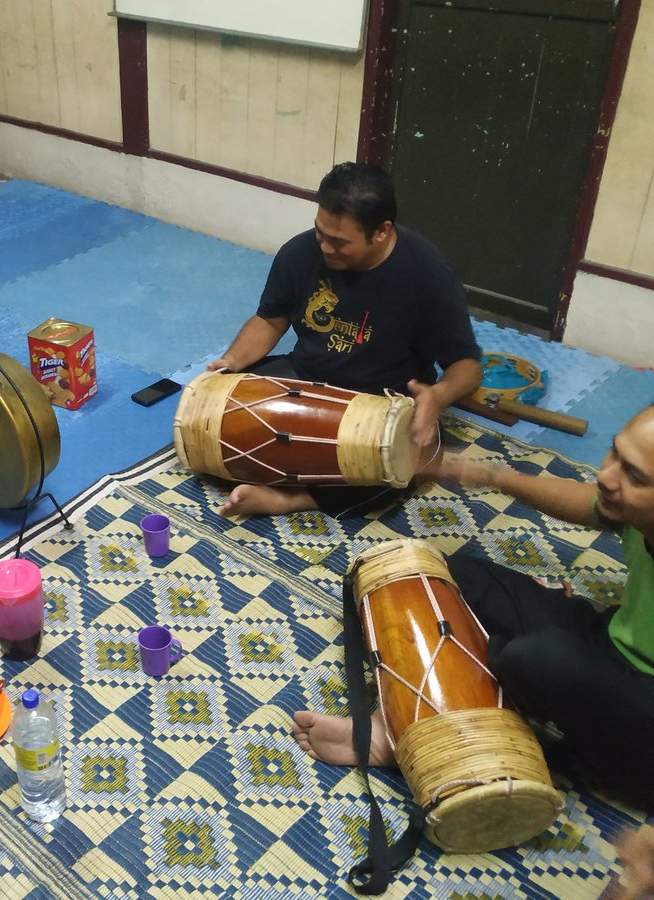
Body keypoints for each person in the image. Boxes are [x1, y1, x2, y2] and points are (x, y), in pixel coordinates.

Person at [292, 405, 654, 812]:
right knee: (450, 574)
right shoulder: (631, 508)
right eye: (614, 454)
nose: (606, 476)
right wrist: (493, 476)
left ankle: (426, 735)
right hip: (610, 639)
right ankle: (409, 720)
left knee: (536, 658)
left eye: (635, 476)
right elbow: (592, 504)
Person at [208, 162, 482, 518]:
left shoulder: (428, 275)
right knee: (216, 418)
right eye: (321, 232)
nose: (325, 247)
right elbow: (270, 321)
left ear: (381, 232)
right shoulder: (300, 252)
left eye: (339, 242)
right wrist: (230, 363)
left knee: (405, 464)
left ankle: (292, 499)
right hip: (303, 379)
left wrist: (438, 396)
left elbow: (467, 367)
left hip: (378, 402)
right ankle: (283, 473)